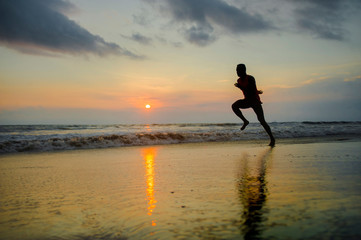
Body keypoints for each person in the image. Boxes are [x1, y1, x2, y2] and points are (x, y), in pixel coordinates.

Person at [232, 64, 275, 146]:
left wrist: (241, 87)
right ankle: (245, 121)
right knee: (234, 106)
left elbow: (251, 90)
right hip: (247, 100)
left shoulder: (250, 78)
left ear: (244, 70)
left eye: (238, 70)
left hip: (255, 101)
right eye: (236, 70)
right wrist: (256, 90)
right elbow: (249, 90)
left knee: (262, 121)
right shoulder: (239, 80)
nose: (237, 72)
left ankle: (272, 139)